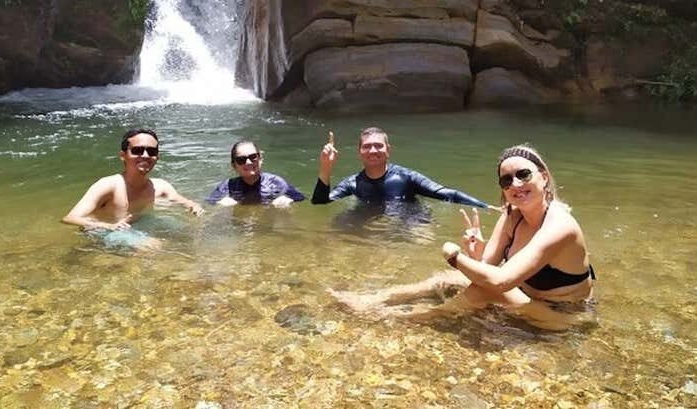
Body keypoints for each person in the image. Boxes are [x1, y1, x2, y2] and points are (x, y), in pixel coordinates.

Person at [330, 144, 595, 327]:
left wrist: (455, 257)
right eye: (506, 180)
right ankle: (376, 299)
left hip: (562, 316)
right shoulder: (512, 214)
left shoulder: (560, 226)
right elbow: (486, 267)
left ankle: (403, 318)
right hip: (527, 297)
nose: (515, 184)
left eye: (523, 175)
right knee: (446, 279)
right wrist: (476, 254)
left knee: (481, 291)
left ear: (544, 177)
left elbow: (499, 281)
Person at [62, 128, 204, 233]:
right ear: (122, 155)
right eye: (137, 151)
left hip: (138, 224)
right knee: (151, 246)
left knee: (187, 232)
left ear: (157, 157)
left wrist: (194, 207)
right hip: (106, 231)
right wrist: (108, 226)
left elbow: (185, 202)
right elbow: (70, 218)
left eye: (152, 151)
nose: (145, 155)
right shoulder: (109, 185)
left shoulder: (161, 187)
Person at [311, 127, 489, 209]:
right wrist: (326, 168)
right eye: (367, 147)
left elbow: (447, 194)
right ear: (360, 152)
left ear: (388, 150)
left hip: (411, 219)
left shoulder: (406, 177)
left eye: (378, 146)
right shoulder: (352, 184)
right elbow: (320, 203)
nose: (373, 151)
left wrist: (487, 207)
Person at [207, 140, 305, 207]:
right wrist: (220, 205)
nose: (248, 162)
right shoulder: (227, 186)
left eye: (253, 157)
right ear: (234, 165)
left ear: (260, 159)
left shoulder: (276, 183)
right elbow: (208, 206)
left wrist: (288, 201)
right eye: (241, 160)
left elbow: (302, 200)